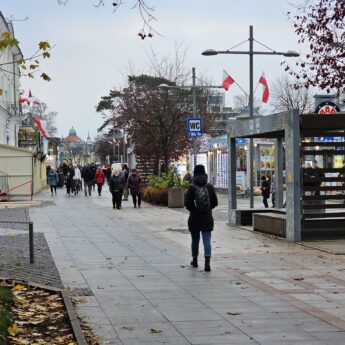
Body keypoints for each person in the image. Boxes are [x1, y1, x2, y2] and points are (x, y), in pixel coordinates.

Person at [185, 164, 218, 272]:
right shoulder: (209, 187)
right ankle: (207, 262)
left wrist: (195, 209)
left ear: (194, 173)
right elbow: (215, 203)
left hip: (194, 217)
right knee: (207, 240)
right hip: (207, 217)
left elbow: (188, 204)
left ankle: (195, 260)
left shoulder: (191, 187)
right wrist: (207, 208)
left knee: (195, 239)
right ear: (204, 173)